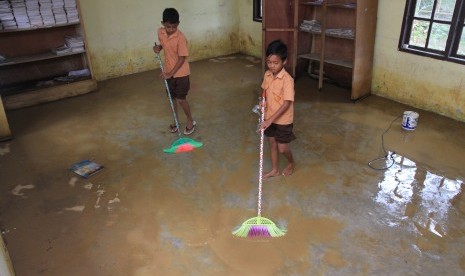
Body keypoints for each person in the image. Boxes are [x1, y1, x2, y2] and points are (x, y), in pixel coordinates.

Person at [153, 8, 196, 135]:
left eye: (174, 26)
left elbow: (182, 58)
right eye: (168, 26)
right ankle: (176, 122)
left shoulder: (180, 38)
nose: (171, 29)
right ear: (162, 24)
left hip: (181, 73)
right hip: (168, 72)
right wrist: (158, 48)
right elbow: (163, 44)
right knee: (172, 99)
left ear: (178, 24)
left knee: (181, 99)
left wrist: (170, 73)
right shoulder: (160, 32)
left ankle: (190, 121)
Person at [260, 39, 296, 178]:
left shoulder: (287, 80)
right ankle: (275, 169)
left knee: (282, 148)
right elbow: (264, 90)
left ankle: (291, 163)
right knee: (272, 143)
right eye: (269, 62)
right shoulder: (267, 74)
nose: (272, 66)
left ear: (284, 61)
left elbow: (286, 104)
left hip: (283, 120)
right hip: (269, 116)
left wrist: (269, 121)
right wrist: (263, 101)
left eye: (276, 63)